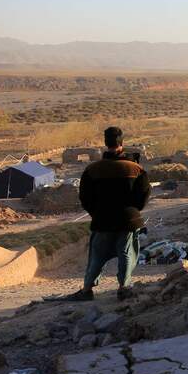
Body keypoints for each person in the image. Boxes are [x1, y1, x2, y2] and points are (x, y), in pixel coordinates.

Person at [66, 126, 150, 301]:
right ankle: (123, 288)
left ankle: (87, 289)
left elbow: (85, 198)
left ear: (105, 143)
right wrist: (133, 211)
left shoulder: (93, 170)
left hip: (102, 220)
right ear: (122, 143)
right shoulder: (135, 169)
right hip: (128, 220)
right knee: (127, 254)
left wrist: (97, 213)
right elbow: (143, 196)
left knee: (97, 256)